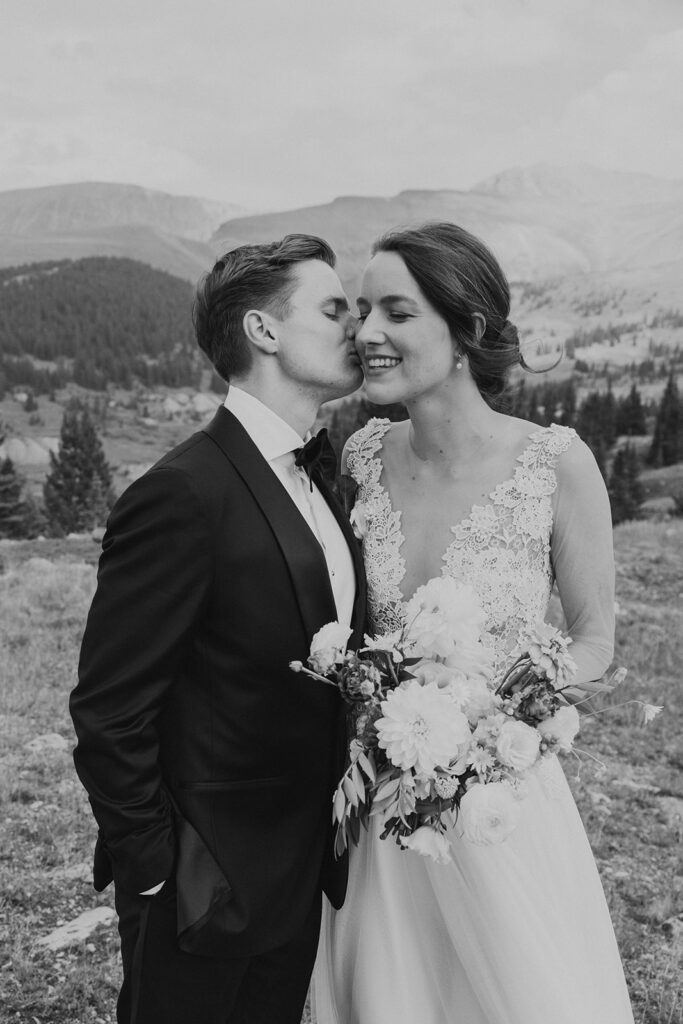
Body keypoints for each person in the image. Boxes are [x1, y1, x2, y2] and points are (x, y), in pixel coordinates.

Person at [311, 222, 634, 1024]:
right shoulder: (360, 455)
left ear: (469, 332)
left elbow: (595, 639)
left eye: (396, 311)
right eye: (360, 309)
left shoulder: (555, 464)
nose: (367, 333)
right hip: (381, 805)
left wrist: (502, 710)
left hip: (499, 803)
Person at [70, 233, 367, 1024]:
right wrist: (158, 870)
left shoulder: (323, 477)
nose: (358, 326)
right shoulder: (181, 494)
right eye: (334, 307)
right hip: (203, 884)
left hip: (299, 870)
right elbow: (109, 708)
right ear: (262, 332)